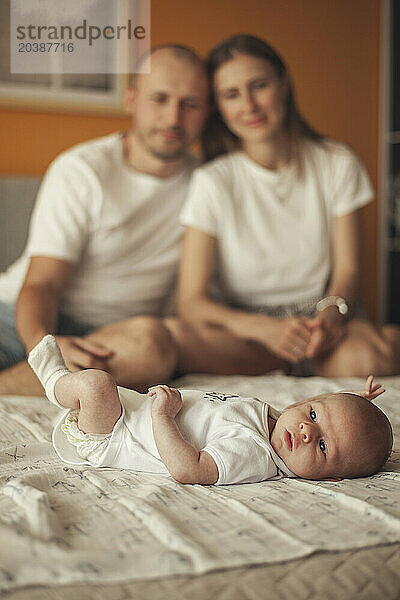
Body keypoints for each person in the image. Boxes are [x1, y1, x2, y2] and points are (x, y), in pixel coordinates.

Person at [175, 34, 400, 378]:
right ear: (218, 107)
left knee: (370, 362)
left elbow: (348, 272)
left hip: (323, 321)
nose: (249, 106)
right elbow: (191, 303)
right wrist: (263, 329)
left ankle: (361, 347)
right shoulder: (212, 181)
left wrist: (331, 315)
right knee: (167, 343)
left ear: (284, 82)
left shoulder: (337, 162)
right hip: (246, 330)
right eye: (231, 94)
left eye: (259, 85)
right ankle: (284, 361)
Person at [0, 45, 209, 395]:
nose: (174, 118)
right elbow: (42, 284)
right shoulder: (83, 170)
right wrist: (45, 348)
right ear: (131, 100)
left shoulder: (209, 184)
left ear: (207, 111)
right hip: (19, 314)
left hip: (110, 338)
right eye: (159, 99)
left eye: (190, 104)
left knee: (150, 351)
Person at [28, 334, 393, 485]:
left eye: (324, 448)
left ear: (330, 479)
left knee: (96, 385)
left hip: (116, 436)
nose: (307, 432)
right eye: (313, 416)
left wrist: (162, 417)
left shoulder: (254, 454)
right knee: (103, 385)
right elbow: (320, 418)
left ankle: (53, 378)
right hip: (133, 410)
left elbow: (190, 470)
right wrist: (354, 403)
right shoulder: (279, 424)